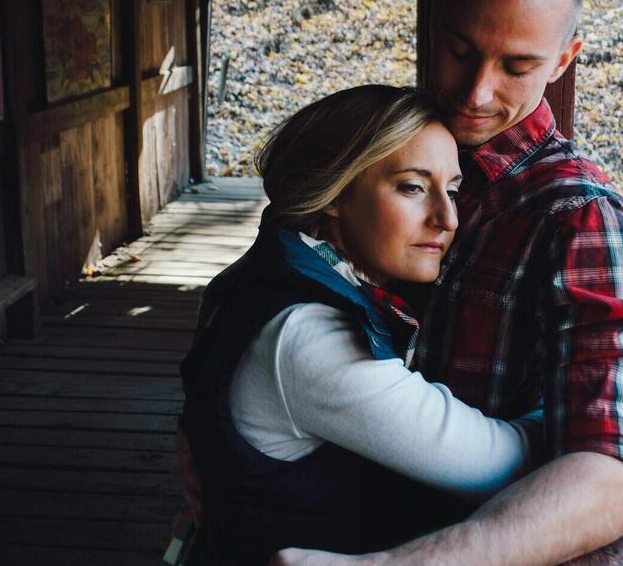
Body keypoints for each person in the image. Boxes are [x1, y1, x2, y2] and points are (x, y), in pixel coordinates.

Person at [273, 0, 623, 565]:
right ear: (436, 24)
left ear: (564, 58)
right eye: (461, 50)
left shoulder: (579, 217)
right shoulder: (393, 138)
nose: (475, 91)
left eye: (517, 66)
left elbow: (611, 477)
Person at [177, 85, 544, 565]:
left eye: (453, 189)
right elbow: (498, 466)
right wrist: (575, 410)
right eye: (413, 187)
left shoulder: (274, 268)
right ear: (336, 192)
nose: (448, 218)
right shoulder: (313, 340)